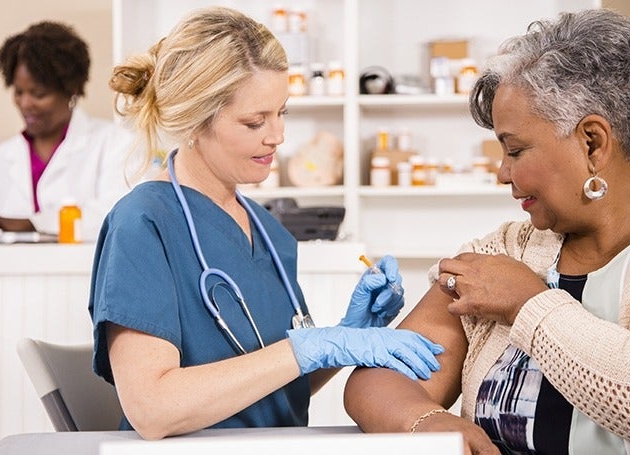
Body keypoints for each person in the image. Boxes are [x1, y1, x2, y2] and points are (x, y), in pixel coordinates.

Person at [87, 6, 443, 440]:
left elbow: (278, 389)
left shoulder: (270, 233)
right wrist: (311, 346)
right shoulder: (143, 224)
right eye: (255, 121)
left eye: (282, 113)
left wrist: (344, 337)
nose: (277, 136)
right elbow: (153, 409)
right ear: (195, 121)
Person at [344, 8, 630, 455]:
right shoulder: (503, 250)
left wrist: (525, 302)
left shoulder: (511, 279)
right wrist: (424, 420)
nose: (502, 172)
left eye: (515, 149)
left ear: (593, 143)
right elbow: (377, 379)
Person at [0, 21, 133, 240]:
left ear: (71, 90)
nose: (25, 103)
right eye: (19, 92)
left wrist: (31, 224)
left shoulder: (115, 145)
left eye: (38, 93)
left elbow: (118, 216)